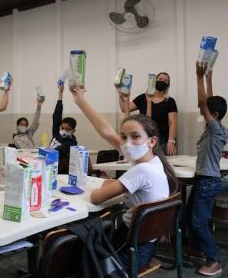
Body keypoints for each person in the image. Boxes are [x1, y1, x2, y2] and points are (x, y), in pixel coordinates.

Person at [70, 84, 177, 272]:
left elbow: (96, 197)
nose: (127, 144)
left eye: (135, 136)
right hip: (145, 246)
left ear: (152, 141)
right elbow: (107, 132)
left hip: (132, 249)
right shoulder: (155, 161)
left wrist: (106, 184)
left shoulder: (142, 170)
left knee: (78, 255)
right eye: (123, 137)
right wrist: (81, 101)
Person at [189, 63, 228, 276]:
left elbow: (204, 104)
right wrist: (209, 80)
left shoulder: (214, 129)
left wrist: (198, 76)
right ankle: (200, 251)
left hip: (207, 181)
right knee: (192, 217)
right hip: (204, 180)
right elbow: (209, 103)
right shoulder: (218, 128)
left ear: (213, 115)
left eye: (205, 112)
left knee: (198, 221)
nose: (202, 113)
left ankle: (214, 260)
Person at [118, 72, 178, 155]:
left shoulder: (170, 101)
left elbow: (172, 123)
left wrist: (171, 141)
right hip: (145, 136)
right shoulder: (143, 98)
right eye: (160, 79)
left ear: (168, 85)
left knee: (158, 155)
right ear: (154, 81)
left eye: (165, 80)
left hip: (163, 139)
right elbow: (125, 108)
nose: (162, 81)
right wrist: (121, 95)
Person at [49, 85, 77, 173]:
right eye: (62, 128)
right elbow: (57, 115)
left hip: (60, 172)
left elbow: (60, 149)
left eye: (67, 129)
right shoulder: (57, 133)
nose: (64, 130)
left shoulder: (72, 143)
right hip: (49, 167)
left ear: (73, 131)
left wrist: (47, 152)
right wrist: (60, 93)